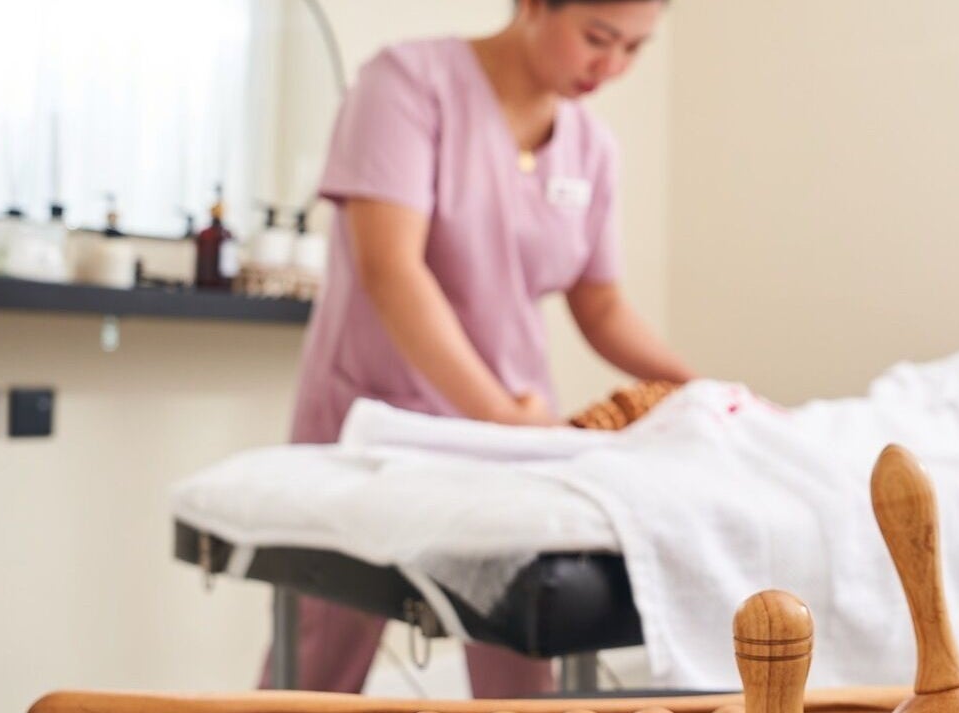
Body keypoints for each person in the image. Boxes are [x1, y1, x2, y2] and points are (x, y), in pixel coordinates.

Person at [262, 0, 694, 698]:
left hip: (514, 429)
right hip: (379, 418)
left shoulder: (591, 147)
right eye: (597, 38)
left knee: (520, 656)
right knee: (321, 662)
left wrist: (702, 387)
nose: (611, 68)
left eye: (634, 50)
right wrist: (495, 411)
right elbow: (391, 268)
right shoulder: (406, 84)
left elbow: (601, 303)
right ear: (531, 5)